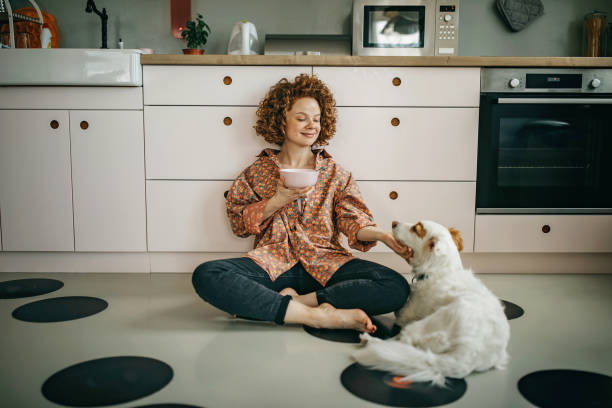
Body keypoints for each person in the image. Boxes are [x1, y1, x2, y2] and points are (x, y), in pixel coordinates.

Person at [192, 74, 412, 333]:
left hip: (327, 264)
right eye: (301, 118)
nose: (311, 125)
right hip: (272, 264)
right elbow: (239, 224)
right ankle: (319, 316)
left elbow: (354, 221)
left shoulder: (336, 173)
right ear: (280, 121)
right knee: (207, 274)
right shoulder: (256, 172)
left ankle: (295, 304)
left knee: (395, 286)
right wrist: (276, 201)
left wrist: (384, 236)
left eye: (316, 119)